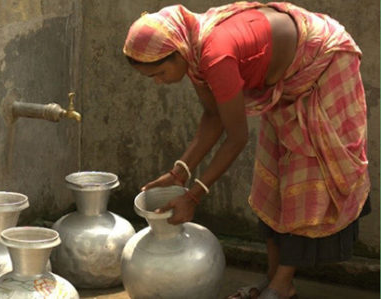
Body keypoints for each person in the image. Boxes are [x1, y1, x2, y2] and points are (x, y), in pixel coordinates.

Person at [123, 2, 370, 299]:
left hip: (323, 63)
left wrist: (193, 196)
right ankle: (273, 278)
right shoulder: (192, 48)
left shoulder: (215, 56)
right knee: (274, 176)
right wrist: (178, 173)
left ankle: (282, 284)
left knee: (307, 177)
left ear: (176, 52)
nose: (159, 83)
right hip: (286, 79)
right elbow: (214, 117)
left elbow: (236, 137)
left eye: (159, 73)